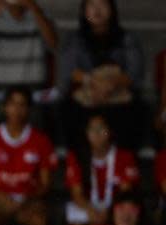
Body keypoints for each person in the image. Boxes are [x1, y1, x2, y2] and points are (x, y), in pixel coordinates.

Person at [59, 0, 145, 151]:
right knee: (67, 110)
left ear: (112, 10)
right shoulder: (74, 39)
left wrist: (110, 86)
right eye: (92, 6)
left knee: (136, 111)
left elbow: (134, 72)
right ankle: (80, 166)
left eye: (102, 5)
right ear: (84, 11)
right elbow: (69, 71)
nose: (97, 10)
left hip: (118, 95)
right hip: (86, 94)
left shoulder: (127, 38)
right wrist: (94, 83)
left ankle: (124, 166)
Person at [0, 87, 56, 225]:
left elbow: (45, 184)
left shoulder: (41, 141)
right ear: (5, 107)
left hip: (28, 199)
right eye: (12, 104)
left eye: (22, 105)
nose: (17, 110)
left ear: (29, 109)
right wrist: (2, 198)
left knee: (39, 223)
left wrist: (25, 198)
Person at [0, 0, 58, 133]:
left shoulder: (40, 15)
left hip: (32, 89)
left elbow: (54, 43)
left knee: (37, 114)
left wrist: (33, 7)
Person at [64, 114, 138, 225]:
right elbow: (77, 194)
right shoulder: (76, 157)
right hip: (88, 205)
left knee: (125, 211)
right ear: (86, 133)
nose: (97, 133)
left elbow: (125, 192)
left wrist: (108, 211)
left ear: (110, 131)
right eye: (92, 129)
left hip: (115, 205)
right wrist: (92, 211)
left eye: (101, 128)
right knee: (76, 216)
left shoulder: (125, 156)